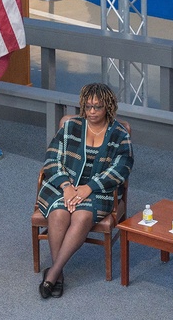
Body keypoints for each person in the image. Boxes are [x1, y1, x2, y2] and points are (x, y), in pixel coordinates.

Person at [36, 83, 133, 299]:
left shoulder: (119, 134)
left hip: (99, 191)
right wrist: (66, 186)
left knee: (81, 217)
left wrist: (89, 187)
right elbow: (51, 158)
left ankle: (52, 274)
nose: (91, 112)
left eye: (97, 107)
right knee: (59, 213)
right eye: (88, 107)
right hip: (63, 187)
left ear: (107, 107)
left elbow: (122, 168)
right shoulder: (71, 127)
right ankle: (57, 274)